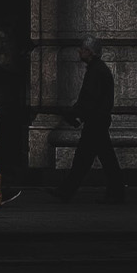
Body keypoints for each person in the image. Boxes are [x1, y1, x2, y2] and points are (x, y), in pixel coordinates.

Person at [47, 36, 125, 204]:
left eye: (82, 49)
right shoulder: (97, 69)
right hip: (97, 121)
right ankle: (114, 193)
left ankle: (67, 192)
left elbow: (89, 99)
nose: (79, 51)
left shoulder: (96, 71)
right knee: (95, 159)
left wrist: (75, 114)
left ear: (89, 52)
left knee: (87, 160)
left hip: (95, 122)